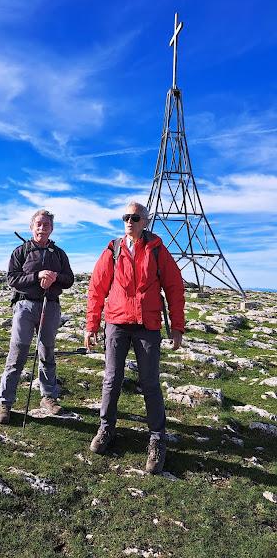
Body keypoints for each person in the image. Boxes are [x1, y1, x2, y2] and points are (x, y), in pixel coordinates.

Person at [84, 202, 185, 474]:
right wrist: (91, 324)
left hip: (147, 324)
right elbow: (97, 287)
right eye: (126, 217)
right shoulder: (113, 249)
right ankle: (106, 429)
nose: (129, 221)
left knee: (150, 383)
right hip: (117, 322)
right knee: (111, 379)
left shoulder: (158, 250)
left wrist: (177, 326)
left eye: (135, 217)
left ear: (145, 221)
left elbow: (175, 287)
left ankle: (157, 438)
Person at [0, 209, 74, 424]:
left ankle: (48, 397)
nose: (42, 228)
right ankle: (5, 402)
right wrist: (37, 276)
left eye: (46, 224)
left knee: (47, 350)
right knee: (18, 352)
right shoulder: (20, 251)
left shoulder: (59, 254)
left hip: (51, 306)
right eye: (38, 224)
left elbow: (69, 280)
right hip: (25, 306)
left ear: (51, 228)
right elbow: (12, 279)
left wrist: (55, 276)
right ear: (32, 227)